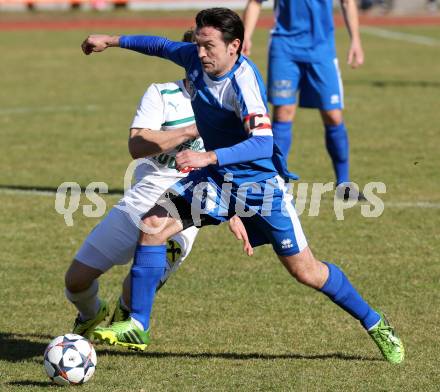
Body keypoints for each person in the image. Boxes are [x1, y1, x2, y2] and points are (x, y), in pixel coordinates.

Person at [81, 7, 404, 363]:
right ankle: (137, 324)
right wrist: (109, 41)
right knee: (154, 224)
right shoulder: (194, 58)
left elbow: (263, 142)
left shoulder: (243, 83)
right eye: (199, 43)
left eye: (209, 46)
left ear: (234, 46)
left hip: (259, 188)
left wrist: (208, 157)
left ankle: (376, 323)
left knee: (307, 271)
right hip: (216, 183)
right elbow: (158, 45)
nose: (200, 52)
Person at [64, 30, 251, 340]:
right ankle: (91, 313)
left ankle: (130, 316)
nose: (205, 60)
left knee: (136, 288)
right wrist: (190, 131)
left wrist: (233, 211)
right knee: (76, 281)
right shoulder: (162, 94)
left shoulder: (229, 104)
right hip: (140, 200)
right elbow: (137, 146)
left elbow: (230, 161)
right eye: (198, 53)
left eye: (211, 52)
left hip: (185, 206)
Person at [242, 0, 366, 200]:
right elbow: (255, 3)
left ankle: (344, 183)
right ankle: (279, 181)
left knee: (333, 115)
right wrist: (246, 34)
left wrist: (356, 40)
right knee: (283, 112)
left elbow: (348, 2)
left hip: (322, 49)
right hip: (285, 47)